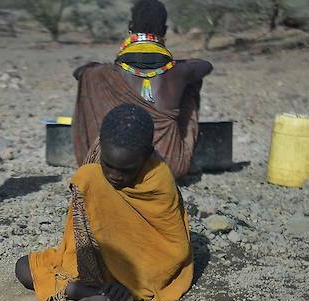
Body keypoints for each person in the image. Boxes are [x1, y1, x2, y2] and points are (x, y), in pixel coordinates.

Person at [16, 104, 193, 301]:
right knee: (24, 268)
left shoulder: (158, 179)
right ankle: (90, 292)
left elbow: (172, 250)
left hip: (139, 271)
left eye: (126, 170)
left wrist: (130, 284)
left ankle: (124, 295)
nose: (115, 175)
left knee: (88, 177)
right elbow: (81, 236)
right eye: (109, 165)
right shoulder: (95, 164)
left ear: (146, 156)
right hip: (96, 263)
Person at [70, 0, 212, 180]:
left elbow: (79, 73)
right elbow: (205, 65)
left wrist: (99, 67)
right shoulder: (179, 71)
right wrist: (178, 66)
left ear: (130, 27)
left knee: (91, 80)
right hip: (167, 168)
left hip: (116, 165)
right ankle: (185, 159)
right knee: (190, 86)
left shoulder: (104, 73)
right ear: (165, 31)